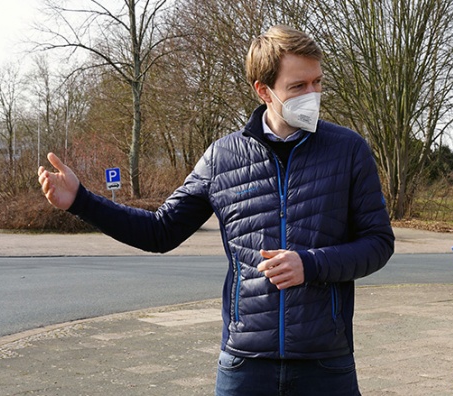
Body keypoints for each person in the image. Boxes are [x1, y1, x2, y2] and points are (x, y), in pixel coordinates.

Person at [38, 25, 394, 395]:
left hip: (325, 363)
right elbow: (161, 232)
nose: (313, 95)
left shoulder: (349, 150)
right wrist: (81, 200)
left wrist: (311, 264)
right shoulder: (223, 157)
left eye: (317, 82)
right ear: (263, 90)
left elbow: (378, 243)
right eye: (298, 86)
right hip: (244, 365)